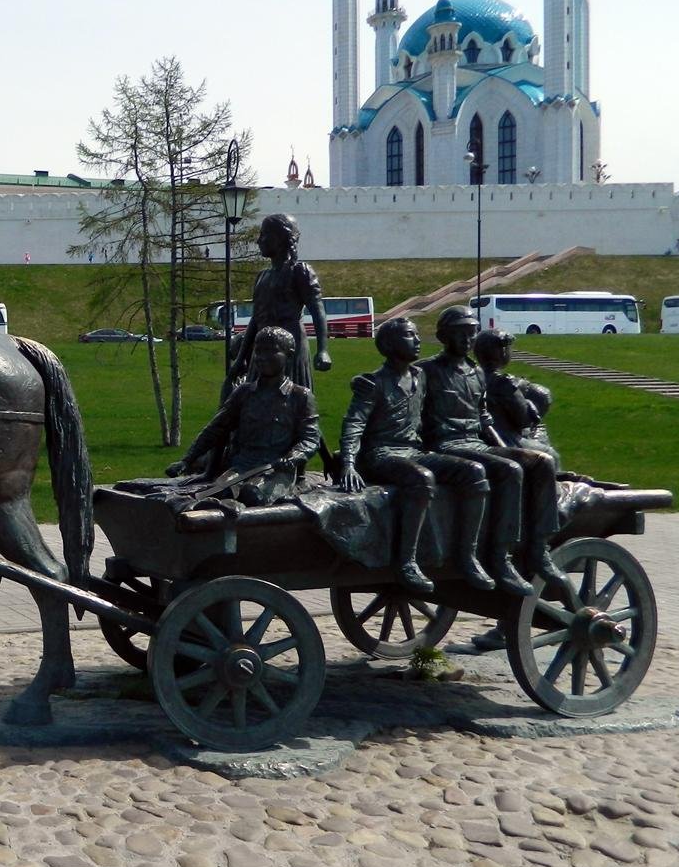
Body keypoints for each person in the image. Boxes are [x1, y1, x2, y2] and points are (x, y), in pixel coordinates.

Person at [337, 317, 498, 595]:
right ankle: (407, 561)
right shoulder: (373, 383)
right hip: (381, 454)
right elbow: (353, 424)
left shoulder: (420, 376)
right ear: (388, 344)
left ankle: (467, 555)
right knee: (422, 478)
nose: (418, 340)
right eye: (410, 335)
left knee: (473, 472)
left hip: (413, 452)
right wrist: (349, 463)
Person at [420, 305, 561, 589]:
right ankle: (499, 556)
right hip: (444, 445)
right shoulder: (426, 371)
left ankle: (538, 548)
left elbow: (484, 421)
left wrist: (510, 451)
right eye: (460, 333)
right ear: (443, 336)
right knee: (510, 471)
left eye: (472, 333)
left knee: (541, 461)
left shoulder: (475, 374)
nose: (468, 339)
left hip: (475, 443)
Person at [166, 326, 319, 506]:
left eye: (271, 352)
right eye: (259, 351)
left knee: (253, 494)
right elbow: (217, 427)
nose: (262, 358)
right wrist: (186, 460)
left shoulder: (300, 396)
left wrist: (294, 456)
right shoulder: (244, 393)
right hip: (242, 466)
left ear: (290, 355)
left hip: (276, 471)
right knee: (220, 490)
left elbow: (311, 438)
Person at [227, 213, 332, 391]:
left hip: (290, 349)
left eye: (264, 235)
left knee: (292, 401)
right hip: (261, 350)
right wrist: (240, 358)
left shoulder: (300, 272)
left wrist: (323, 350)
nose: (259, 240)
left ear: (280, 239)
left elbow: (317, 310)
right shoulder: (262, 276)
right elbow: (255, 320)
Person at [474, 328, 558, 467]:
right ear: (503, 352)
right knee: (550, 454)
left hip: (479, 437)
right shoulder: (504, 382)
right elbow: (523, 420)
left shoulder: (472, 376)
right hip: (505, 439)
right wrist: (530, 405)